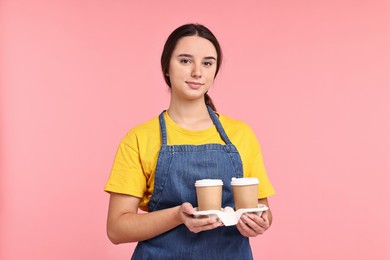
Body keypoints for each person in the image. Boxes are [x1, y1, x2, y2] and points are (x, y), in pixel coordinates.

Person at [104, 23, 276, 259]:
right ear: (167, 67)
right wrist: (178, 216)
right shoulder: (139, 138)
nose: (197, 72)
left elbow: (262, 208)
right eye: (185, 61)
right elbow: (116, 228)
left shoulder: (241, 134)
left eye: (207, 63)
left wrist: (260, 223)